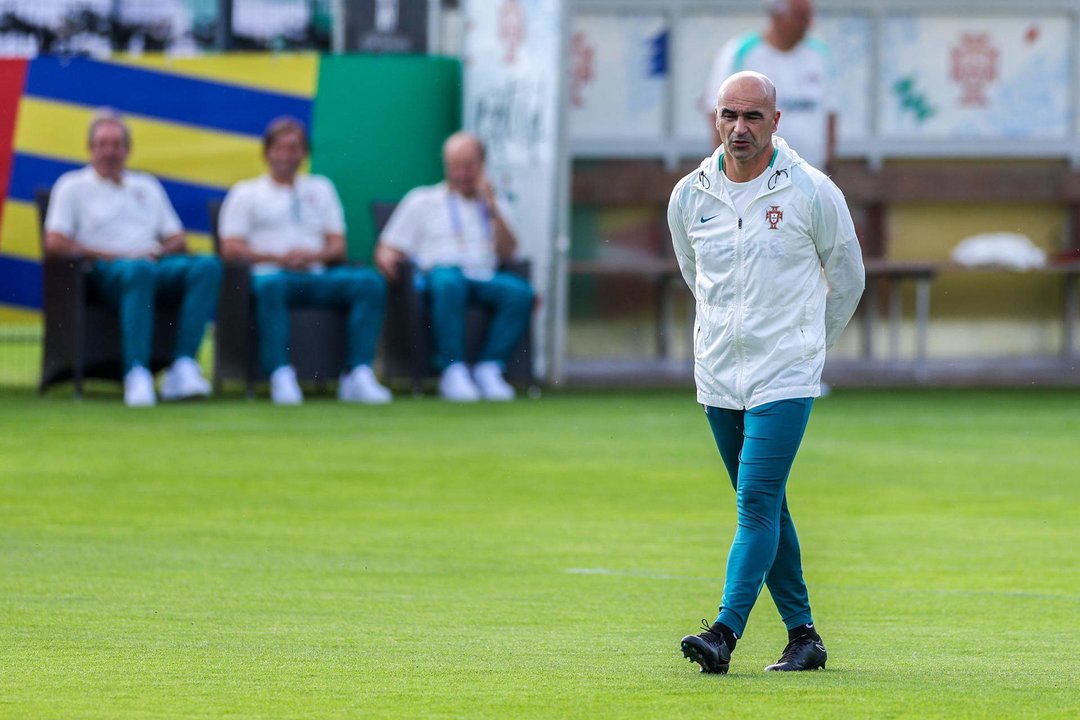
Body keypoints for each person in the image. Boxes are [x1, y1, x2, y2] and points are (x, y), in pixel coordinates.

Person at [669, 72, 864, 674]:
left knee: (754, 501)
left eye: (754, 117)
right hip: (720, 375)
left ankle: (724, 633)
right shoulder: (691, 194)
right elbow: (692, 273)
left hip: (785, 374)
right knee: (766, 504)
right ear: (715, 120)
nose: (740, 128)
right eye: (730, 115)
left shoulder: (811, 191)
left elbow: (848, 278)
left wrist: (808, 347)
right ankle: (804, 637)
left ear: (776, 122)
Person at [44, 109, 221, 407]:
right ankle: (136, 372)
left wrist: (158, 252)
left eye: (116, 144)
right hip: (103, 272)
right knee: (138, 270)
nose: (109, 152)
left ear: (127, 149)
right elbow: (55, 242)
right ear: (91, 148)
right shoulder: (72, 186)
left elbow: (176, 237)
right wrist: (116, 255)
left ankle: (183, 367)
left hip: (153, 265)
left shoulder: (146, 185)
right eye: (102, 144)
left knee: (207, 266)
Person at [218, 116, 391, 406]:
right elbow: (231, 248)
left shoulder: (321, 188)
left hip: (317, 276)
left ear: (304, 154)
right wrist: (278, 258)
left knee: (369, 282)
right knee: (271, 285)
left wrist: (310, 256)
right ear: (267, 153)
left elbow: (338, 246)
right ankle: (280, 374)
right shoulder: (246, 193)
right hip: (272, 276)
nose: (287, 155)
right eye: (280, 148)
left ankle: (358, 373)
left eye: (294, 148)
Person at [374, 131, 533, 402]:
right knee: (448, 283)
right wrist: (385, 257)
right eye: (454, 165)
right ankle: (452, 369)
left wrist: (492, 206)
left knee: (520, 292)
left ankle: (489, 368)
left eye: (468, 165)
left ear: (482, 165)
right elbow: (387, 247)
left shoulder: (494, 202)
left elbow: (509, 252)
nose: (461, 173)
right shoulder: (421, 200)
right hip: (441, 275)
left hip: (485, 276)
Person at [702, 0, 836, 173]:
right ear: (777, 16)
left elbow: (831, 112)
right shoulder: (741, 52)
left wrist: (828, 163)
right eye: (801, 16)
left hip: (810, 174)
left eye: (809, 16)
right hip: (756, 176)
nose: (809, 24)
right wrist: (727, 171)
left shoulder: (819, 53)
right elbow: (717, 112)